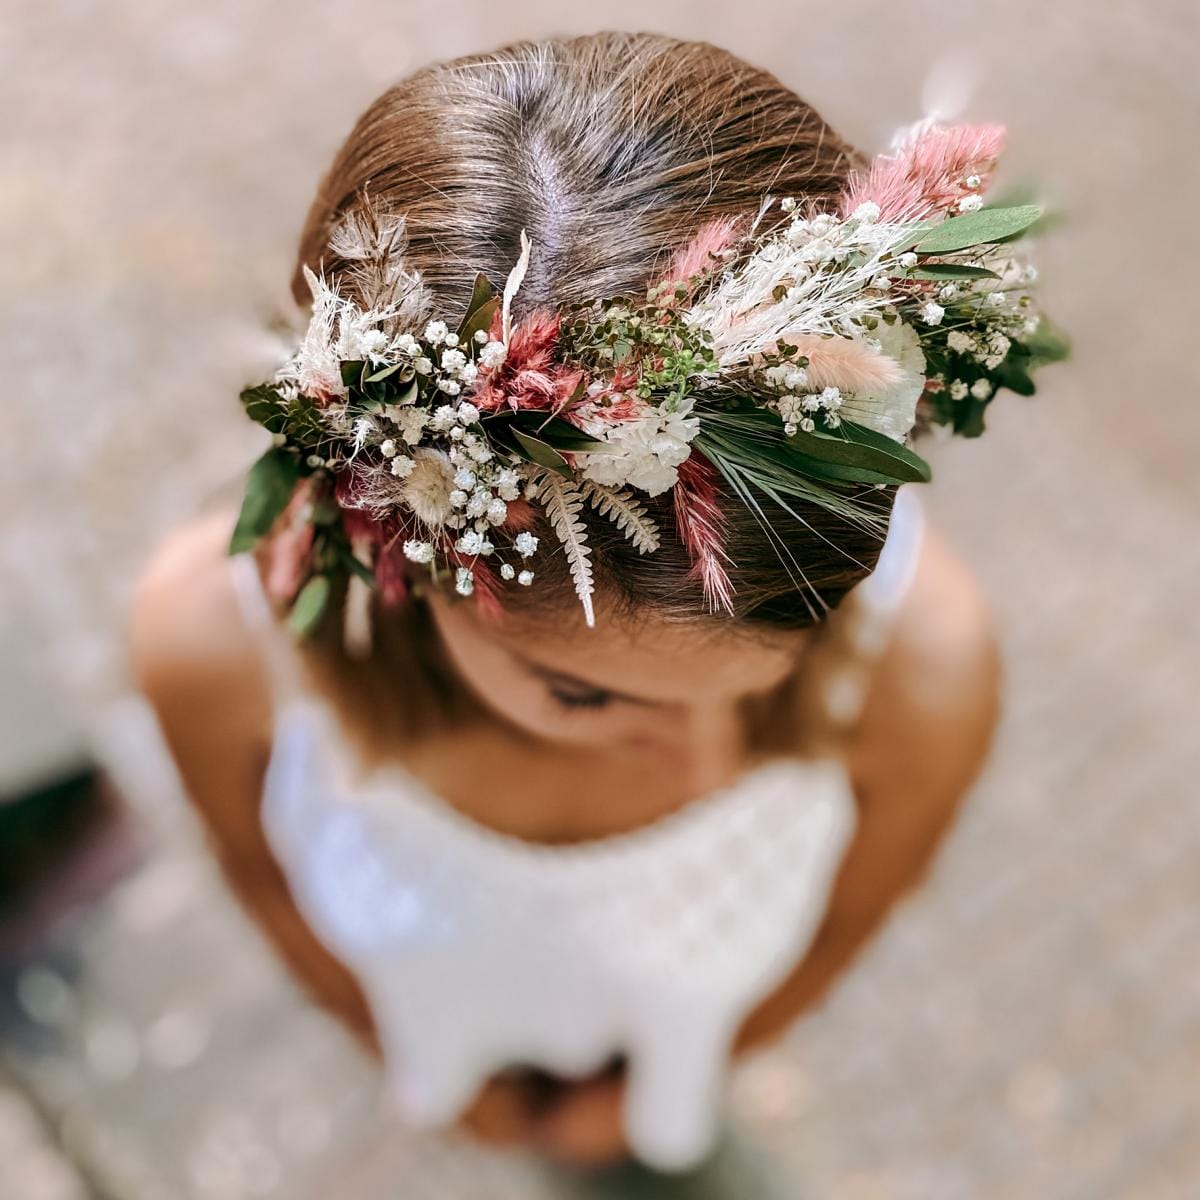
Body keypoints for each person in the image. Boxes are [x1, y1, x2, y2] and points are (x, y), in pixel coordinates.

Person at [129, 31, 1044, 1172]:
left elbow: (847, 927)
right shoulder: (213, 646)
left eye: (788, 661)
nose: (706, 770)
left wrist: (685, 1083)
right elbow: (260, 883)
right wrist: (392, 1045)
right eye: (577, 688)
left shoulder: (931, 668)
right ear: (395, 534)